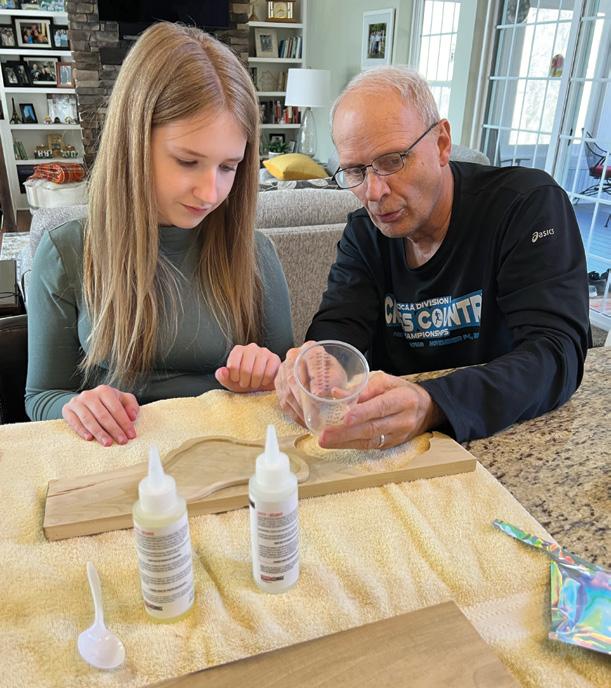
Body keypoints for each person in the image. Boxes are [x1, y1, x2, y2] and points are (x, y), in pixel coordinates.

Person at [275, 66, 589, 448]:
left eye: (393, 160)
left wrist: (433, 403)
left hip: (509, 432)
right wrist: (317, 365)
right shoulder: (364, 234)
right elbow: (339, 326)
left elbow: (556, 353)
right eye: (356, 171)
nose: (374, 193)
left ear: (442, 143)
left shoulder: (526, 206)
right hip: (392, 442)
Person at [26, 22, 294, 446]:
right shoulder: (66, 252)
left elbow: (287, 381)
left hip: (230, 450)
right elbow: (41, 396)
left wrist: (267, 374)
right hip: (118, 454)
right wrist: (76, 406)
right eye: (187, 161)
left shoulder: (256, 254)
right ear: (132, 144)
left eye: (229, 167)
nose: (211, 193)